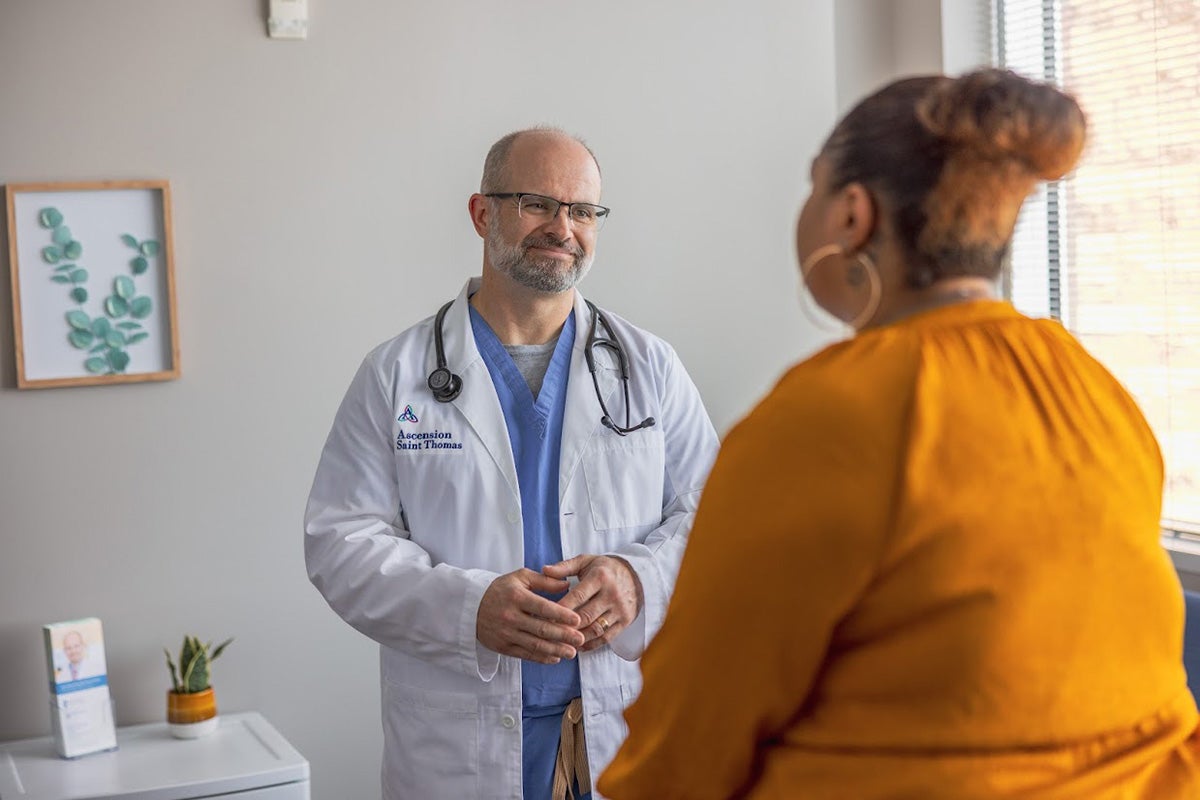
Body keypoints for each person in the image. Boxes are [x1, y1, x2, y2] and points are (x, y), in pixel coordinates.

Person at [599, 69, 1200, 799]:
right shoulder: (1094, 386)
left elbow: (686, 744)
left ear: (852, 216)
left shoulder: (828, 417)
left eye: (814, 185)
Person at [305, 127, 719, 800]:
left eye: (582, 210)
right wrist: (468, 609)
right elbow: (339, 541)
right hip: (456, 745)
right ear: (482, 213)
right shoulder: (395, 374)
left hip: (620, 726)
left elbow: (717, 514)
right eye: (537, 203)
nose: (563, 228)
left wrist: (638, 579)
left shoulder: (650, 368)